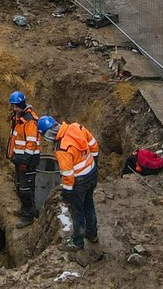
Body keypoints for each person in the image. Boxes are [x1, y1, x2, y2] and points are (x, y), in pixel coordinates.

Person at [37, 115, 100, 251]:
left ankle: (77, 242)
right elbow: (93, 144)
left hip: (79, 181)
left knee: (77, 211)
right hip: (91, 173)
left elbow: (67, 174)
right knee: (89, 204)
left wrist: (67, 192)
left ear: (48, 133)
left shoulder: (62, 149)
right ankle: (92, 234)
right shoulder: (76, 127)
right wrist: (94, 162)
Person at [6, 91, 40, 227]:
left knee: (26, 189)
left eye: (16, 106)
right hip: (19, 159)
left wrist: (25, 161)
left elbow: (31, 143)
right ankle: (25, 209)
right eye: (13, 106)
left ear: (22, 104)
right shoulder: (18, 118)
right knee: (20, 187)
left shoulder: (29, 120)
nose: (14, 109)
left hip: (28, 161)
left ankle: (29, 216)